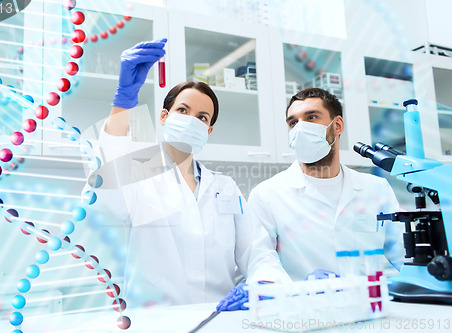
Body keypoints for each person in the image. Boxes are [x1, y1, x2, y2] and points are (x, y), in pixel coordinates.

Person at [89, 39, 291, 307]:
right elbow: (100, 193)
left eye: (202, 117)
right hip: (156, 322)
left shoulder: (225, 186)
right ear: (164, 117)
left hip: (220, 317)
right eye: (183, 110)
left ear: (208, 131)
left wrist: (265, 285)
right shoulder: (139, 171)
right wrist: (123, 102)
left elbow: (255, 250)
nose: (192, 120)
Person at [248, 88, 405, 281]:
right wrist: (293, 288)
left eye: (311, 117)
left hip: (372, 304)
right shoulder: (267, 195)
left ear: (337, 125)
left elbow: (401, 255)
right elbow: (261, 260)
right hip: (306, 305)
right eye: (293, 122)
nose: (300, 128)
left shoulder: (377, 188)